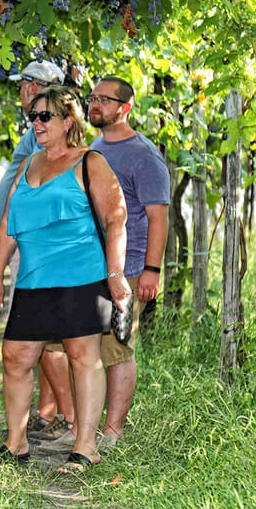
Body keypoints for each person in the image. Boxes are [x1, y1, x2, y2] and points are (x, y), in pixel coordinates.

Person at [0, 86, 129, 473]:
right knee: (15, 356)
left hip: (81, 277)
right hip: (33, 279)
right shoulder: (29, 163)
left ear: (68, 121)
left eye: (45, 116)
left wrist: (115, 275)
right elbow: (9, 225)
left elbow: (116, 218)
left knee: (83, 358)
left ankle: (86, 447)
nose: (36, 123)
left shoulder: (90, 161)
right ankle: (15, 443)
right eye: (32, 117)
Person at [0, 59, 74, 441]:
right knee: (41, 340)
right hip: (25, 246)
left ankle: (68, 416)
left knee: (42, 337)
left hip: (35, 251)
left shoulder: (42, 134)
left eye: (25, 83)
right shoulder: (34, 131)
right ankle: (49, 413)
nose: (21, 91)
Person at [88, 76, 169, 449]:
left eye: (105, 99)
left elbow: (158, 217)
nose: (95, 105)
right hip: (90, 266)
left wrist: (151, 271)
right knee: (86, 347)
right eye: (93, 98)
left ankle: (114, 430)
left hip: (130, 268)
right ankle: (85, 424)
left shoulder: (144, 155)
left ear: (125, 107)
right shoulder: (94, 148)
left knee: (118, 347)